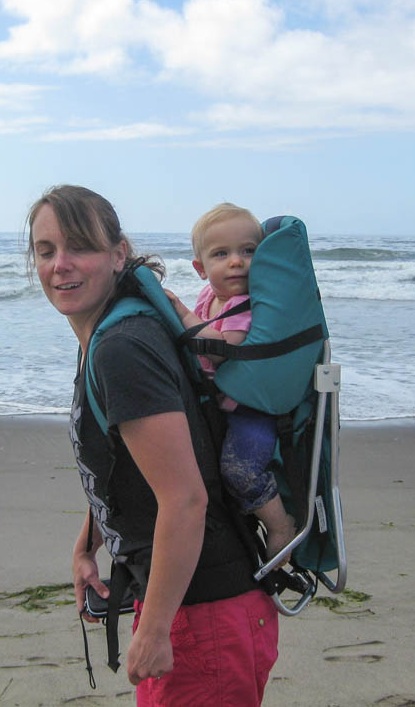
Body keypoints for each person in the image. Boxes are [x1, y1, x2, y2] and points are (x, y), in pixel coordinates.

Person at [26, 186, 279, 706]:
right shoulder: (119, 324)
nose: (61, 264)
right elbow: (134, 467)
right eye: (46, 250)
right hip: (198, 603)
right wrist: (87, 544)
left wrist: (158, 629)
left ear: (119, 253)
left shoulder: (123, 346)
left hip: (200, 614)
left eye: (80, 246)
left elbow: (185, 498)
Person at [163, 203, 297, 563]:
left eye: (248, 251)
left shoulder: (247, 304)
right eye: (221, 254)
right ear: (200, 268)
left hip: (249, 411)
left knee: (240, 471)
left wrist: (177, 309)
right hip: (218, 404)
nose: (236, 261)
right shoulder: (210, 297)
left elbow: (224, 350)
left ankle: (281, 524)